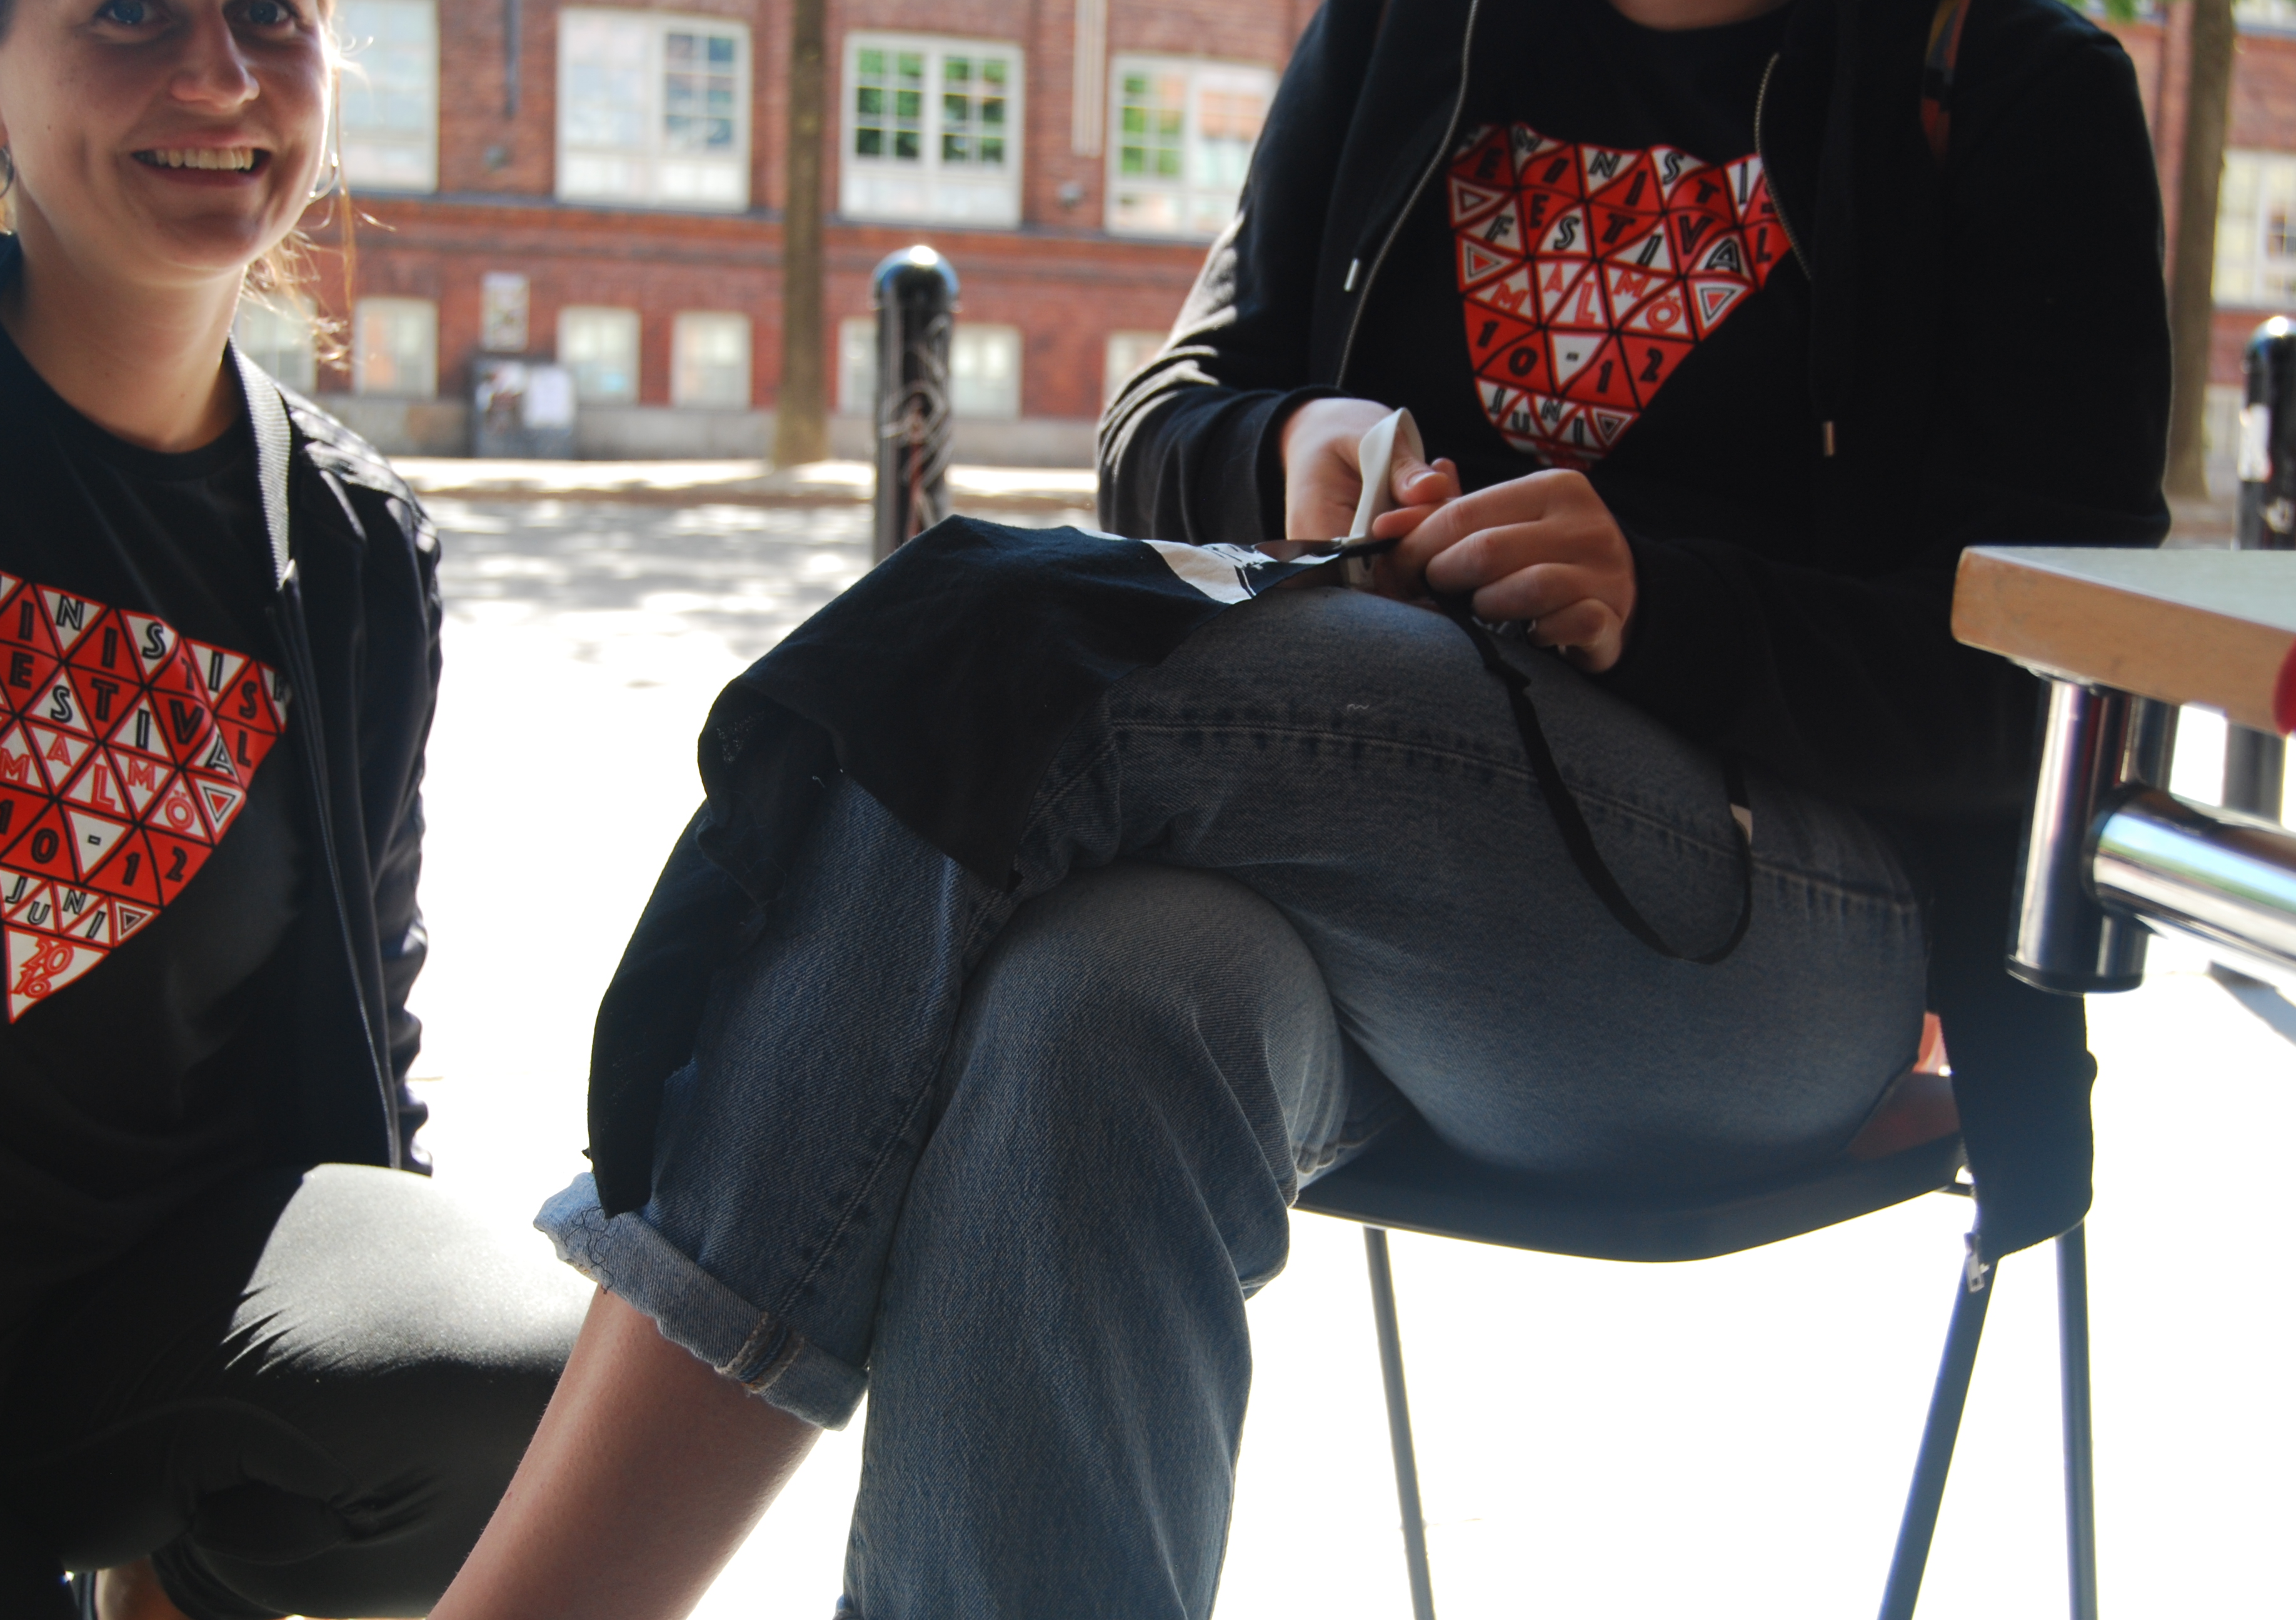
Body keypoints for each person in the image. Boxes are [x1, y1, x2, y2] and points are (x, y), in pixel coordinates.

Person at [434, 0, 2170, 1615]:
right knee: (1103, 995)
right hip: (1360, 885)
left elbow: (2065, 686)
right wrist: (1289, 442)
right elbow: (1163, 427)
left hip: (1785, 942)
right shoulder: (1415, 27)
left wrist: (1669, 605)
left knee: (1012, 643)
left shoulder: (2012, 81)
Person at [0, 0, 588, 1614]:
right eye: (129, 14)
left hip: (117, 1347)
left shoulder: (350, 546)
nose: (217, 74)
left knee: (513, 1382)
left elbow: (361, 1021)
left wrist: (197, 1573)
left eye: (271, 14)